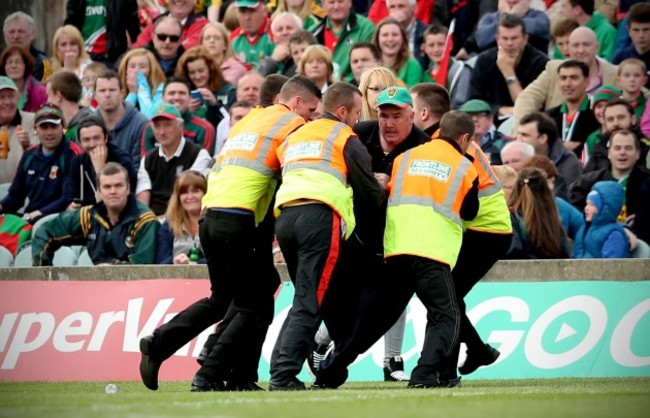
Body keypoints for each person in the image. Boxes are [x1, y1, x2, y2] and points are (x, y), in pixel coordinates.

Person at [138, 75, 321, 392]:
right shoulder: (291, 123)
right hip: (238, 219)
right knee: (255, 304)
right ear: (294, 103)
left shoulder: (251, 120)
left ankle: (166, 345)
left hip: (211, 218)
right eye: (311, 110)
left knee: (225, 298)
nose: (312, 118)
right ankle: (210, 372)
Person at [315, 111, 480, 390]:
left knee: (370, 322)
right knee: (446, 314)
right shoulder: (465, 167)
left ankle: (329, 372)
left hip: (394, 251)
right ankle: (425, 375)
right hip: (431, 251)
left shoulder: (404, 159)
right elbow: (470, 212)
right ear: (464, 138)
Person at [269, 81, 385, 391]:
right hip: (319, 219)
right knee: (311, 301)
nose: (359, 119)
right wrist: (383, 186)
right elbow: (369, 194)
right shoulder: (345, 137)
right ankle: (283, 375)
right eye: (358, 113)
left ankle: (278, 368)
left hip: (287, 218)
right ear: (343, 111)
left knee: (303, 298)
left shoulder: (295, 135)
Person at [439, 133, 513, 383]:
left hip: (485, 231)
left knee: (446, 297)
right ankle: (475, 351)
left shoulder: (443, 143)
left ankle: (472, 353)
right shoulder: (458, 140)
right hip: (488, 230)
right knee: (450, 297)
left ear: (424, 113)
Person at [32, 162, 159, 266]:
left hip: (134, 291)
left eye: (118, 185)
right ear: (98, 192)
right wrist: (44, 276)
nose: (113, 191)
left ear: (128, 189)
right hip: (97, 287)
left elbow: (143, 267)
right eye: (107, 187)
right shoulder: (89, 216)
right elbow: (45, 231)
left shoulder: (145, 221)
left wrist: (110, 270)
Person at [513, 27, 618, 132]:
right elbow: (527, 98)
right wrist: (522, 132)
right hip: (559, 134)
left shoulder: (616, 73)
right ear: (569, 49)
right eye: (575, 45)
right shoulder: (554, 69)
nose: (580, 50)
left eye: (586, 45)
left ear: (597, 47)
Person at [0, 103, 82, 222]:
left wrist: (37, 214)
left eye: (54, 126)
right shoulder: (29, 155)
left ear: (63, 127)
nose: (49, 132)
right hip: (29, 218)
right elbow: (16, 196)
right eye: (44, 127)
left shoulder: (72, 154)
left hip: (58, 221)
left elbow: (68, 198)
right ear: (35, 129)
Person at [136, 102, 212, 216]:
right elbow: (143, 200)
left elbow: (191, 198)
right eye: (157, 126)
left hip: (184, 217)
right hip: (154, 219)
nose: (162, 132)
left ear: (180, 126)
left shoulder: (198, 154)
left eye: (167, 125)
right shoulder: (148, 159)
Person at [469, 13, 548, 118]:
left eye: (514, 38)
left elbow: (530, 109)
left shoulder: (541, 63)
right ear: (497, 40)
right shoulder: (484, 60)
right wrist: (498, 109)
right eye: (505, 38)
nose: (509, 43)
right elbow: (474, 101)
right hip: (491, 121)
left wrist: (508, 73)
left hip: (529, 123)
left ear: (525, 39)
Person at [570, 129, 650, 227]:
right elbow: (574, 214)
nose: (622, 152)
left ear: (638, 154)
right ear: (609, 153)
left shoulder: (647, 182)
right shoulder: (588, 181)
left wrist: (640, 220)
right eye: (617, 148)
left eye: (628, 148)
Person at [66, 116, 136, 209]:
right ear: (80, 142)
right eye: (86, 140)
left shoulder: (122, 160)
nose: (92, 144)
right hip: (86, 216)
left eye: (96, 138)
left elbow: (126, 199)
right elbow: (72, 197)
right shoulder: (77, 162)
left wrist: (100, 169)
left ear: (106, 138)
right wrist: (71, 207)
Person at [505, 167, 570, 259]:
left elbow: (512, 251)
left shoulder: (510, 216)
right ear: (546, 192)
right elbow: (563, 254)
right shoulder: (552, 219)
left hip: (520, 271)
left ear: (517, 188)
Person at [94, 70, 149, 173]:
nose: (107, 95)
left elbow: (140, 168)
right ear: (95, 96)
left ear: (122, 93)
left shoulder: (141, 124)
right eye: (102, 91)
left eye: (112, 90)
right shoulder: (87, 125)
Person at [522, 155, 585, 242]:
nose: (551, 187)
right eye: (547, 182)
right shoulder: (515, 208)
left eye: (553, 182)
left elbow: (584, 229)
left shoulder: (559, 204)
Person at [546, 60, 600, 160]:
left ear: (587, 82)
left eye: (574, 78)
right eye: (563, 78)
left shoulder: (596, 114)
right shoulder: (548, 117)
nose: (567, 84)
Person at [310, 0, 376, 82]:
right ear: (323, 5)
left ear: (350, 2)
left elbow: (369, 64)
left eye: (340, 1)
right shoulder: (313, 32)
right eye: (331, 2)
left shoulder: (366, 28)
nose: (336, 6)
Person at [517, 111, 583, 190]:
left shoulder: (568, 161)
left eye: (524, 135)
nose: (518, 139)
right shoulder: (516, 156)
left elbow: (568, 196)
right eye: (519, 134)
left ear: (543, 138)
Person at [64, 0, 141, 66]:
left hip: (112, 56)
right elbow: (71, 23)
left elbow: (133, 25)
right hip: (84, 54)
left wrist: (139, 50)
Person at [175, 46, 237, 126]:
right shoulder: (182, 92)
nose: (197, 76)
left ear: (210, 69)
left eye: (201, 71)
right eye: (192, 73)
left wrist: (215, 104)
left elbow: (233, 121)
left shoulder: (227, 90)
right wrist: (186, 112)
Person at [156, 170, 207, 264]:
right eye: (184, 192)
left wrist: (195, 263)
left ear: (205, 193)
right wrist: (175, 260)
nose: (190, 196)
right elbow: (160, 262)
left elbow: (222, 260)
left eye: (195, 191)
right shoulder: (168, 226)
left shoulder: (215, 223)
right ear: (178, 197)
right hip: (176, 277)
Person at [586, 99, 649, 173]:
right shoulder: (600, 147)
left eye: (620, 117)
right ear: (605, 123)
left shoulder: (645, 146)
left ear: (633, 119)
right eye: (610, 119)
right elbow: (586, 177)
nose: (615, 123)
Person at [573, 181, 630, 258]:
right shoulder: (584, 228)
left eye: (592, 205)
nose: (586, 208)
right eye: (587, 204)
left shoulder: (614, 234)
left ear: (604, 209)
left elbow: (610, 267)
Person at [0, 76, 38, 184]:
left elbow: (43, 157)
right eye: (2, 97)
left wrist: (27, 145)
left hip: (25, 193)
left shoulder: (32, 120)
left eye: (11, 96)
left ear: (18, 98)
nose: (7, 102)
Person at [133, 0, 208, 50]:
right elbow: (136, 51)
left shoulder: (203, 26)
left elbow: (188, 51)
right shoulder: (155, 23)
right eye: (161, 37)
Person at [372, 18, 422, 88]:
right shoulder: (370, 64)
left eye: (395, 35)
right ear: (377, 39)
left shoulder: (412, 65)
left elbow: (411, 96)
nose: (390, 39)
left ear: (403, 38)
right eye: (385, 35)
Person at [459, 99, 512, 165]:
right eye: (469, 116)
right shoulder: (455, 142)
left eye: (479, 115)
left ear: (490, 119)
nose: (474, 119)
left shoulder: (505, 142)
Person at [46, 71, 93, 143]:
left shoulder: (86, 127)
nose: (47, 101)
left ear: (58, 96)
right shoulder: (67, 127)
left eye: (48, 95)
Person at [3, 11, 51, 82]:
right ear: (4, 35)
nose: (16, 36)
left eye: (21, 31)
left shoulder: (45, 65)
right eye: (12, 32)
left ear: (32, 34)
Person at [118, 48, 166, 115]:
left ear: (151, 70)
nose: (136, 70)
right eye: (132, 66)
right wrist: (132, 94)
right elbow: (121, 118)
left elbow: (150, 117)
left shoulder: (161, 89)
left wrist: (142, 89)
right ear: (125, 69)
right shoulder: (117, 88)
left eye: (142, 67)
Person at [200, 22, 247, 87]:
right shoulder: (196, 65)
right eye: (207, 38)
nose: (212, 41)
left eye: (217, 38)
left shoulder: (236, 68)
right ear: (201, 44)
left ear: (225, 44)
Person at [0, 46, 47, 112]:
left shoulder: (40, 92)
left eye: (18, 62)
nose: (13, 66)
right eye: (9, 62)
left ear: (26, 66)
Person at [613, 2, 650, 84]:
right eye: (636, 30)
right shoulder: (620, 59)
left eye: (646, 29)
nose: (641, 35)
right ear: (628, 30)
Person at [230, 0, 275, 68]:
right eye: (242, 11)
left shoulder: (276, 33)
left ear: (265, 11)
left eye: (252, 11)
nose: (247, 17)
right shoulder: (233, 38)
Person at [259, 12, 303, 77]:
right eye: (280, 29)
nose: (284, 32)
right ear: (274, 38)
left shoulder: (307, 55)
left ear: (300, 33)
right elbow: (257, 80)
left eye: (289, 28)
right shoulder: (268, 54)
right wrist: (273, 60)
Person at [386, 0, 428, 68]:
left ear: (414, 8)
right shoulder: (382, 34)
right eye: (392, 7)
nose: (396, 10)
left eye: (401, 6)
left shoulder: (426, 33)